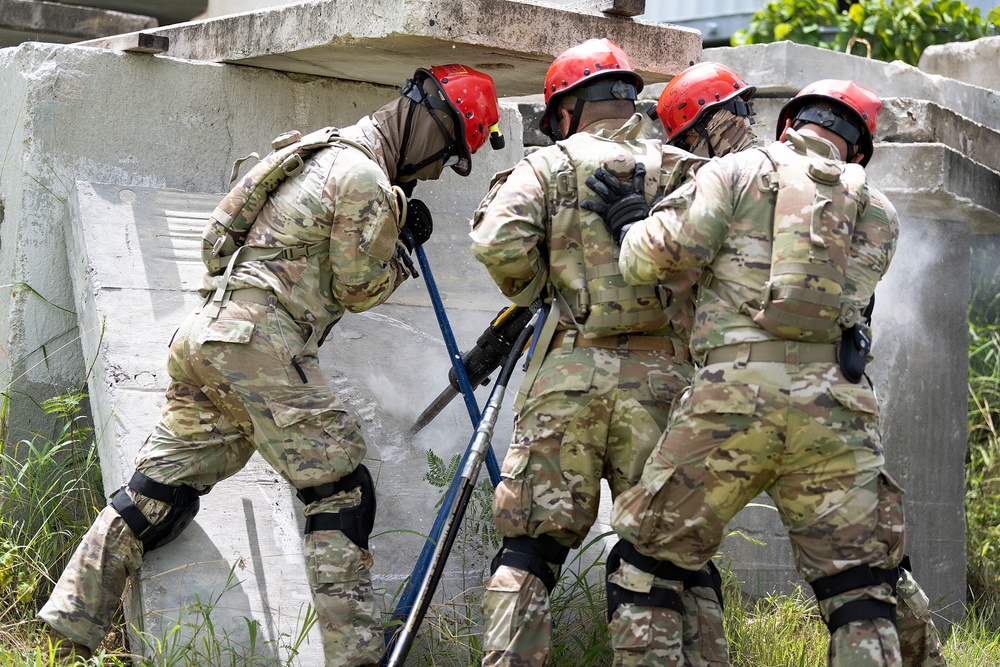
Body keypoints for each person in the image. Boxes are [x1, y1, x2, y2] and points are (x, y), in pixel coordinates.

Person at [38, 64, 503, 666]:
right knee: (340, 492)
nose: (441, 171)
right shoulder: (363, 177)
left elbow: (216, 241)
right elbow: (360, 287)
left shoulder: (318, 149)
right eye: (450, 156)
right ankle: (358, 659)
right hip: (261, 347)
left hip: (210, 337)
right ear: (435, 131)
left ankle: (65, 627)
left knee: (158, 493)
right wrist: (401, 249)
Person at [587, 78, 911, 666]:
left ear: (788, 124)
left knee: (647, 566)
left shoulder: (734, 172)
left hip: (730, 400)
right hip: (834, 410)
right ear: (857, 151)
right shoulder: (879, 210)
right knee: (861, 592)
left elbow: (650, 260)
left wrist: (632, 219)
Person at [469, 39, 728, 667]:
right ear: (628, 99)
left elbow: (497, 240)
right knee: (669, 551)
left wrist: (541, 286)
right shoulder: (682, 169)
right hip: (665, 384)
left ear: (565, 110)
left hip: (566, 378)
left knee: (529, 548)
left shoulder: (550, 165)